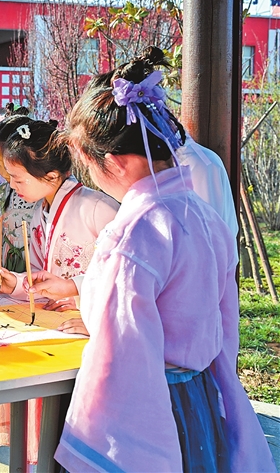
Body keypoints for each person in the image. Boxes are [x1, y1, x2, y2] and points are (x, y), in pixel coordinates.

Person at [48, 47, 275, 471]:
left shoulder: (135, 233)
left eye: (89, 168)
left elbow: (123, 352)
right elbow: (224, 325)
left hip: (152, 405)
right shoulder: (204, 217)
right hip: (200, 395)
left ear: (113, 162)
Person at [0, 115, 118, 457]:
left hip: (87, 327)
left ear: (51, 175)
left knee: (71, 433)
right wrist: (15, 282)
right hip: (56, 323)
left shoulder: (98, 208)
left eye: (17, 177)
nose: (12, 184)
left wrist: (76, 293)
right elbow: (45, 278)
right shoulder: (38, 210)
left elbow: (121, 277)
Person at [0, 103, 39, 288]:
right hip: (3, 286)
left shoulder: (43, 197)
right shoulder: (2, 197)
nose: (4, 173)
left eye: (8, 164)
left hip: (37, 286)